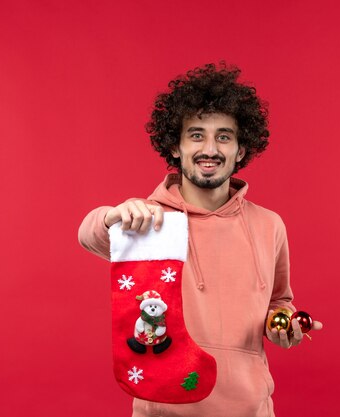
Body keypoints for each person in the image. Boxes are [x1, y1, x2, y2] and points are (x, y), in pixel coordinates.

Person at [78, 62, 322, 417]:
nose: (210, 149)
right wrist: (115, 215)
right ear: (175, 147)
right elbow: (90, 234)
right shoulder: (149, 220)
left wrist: (282, 322)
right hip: (164, 411)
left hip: (252, 410)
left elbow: (278, 301)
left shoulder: (269, 225)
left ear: (241, 150)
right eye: (196, 135)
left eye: (223, 136)